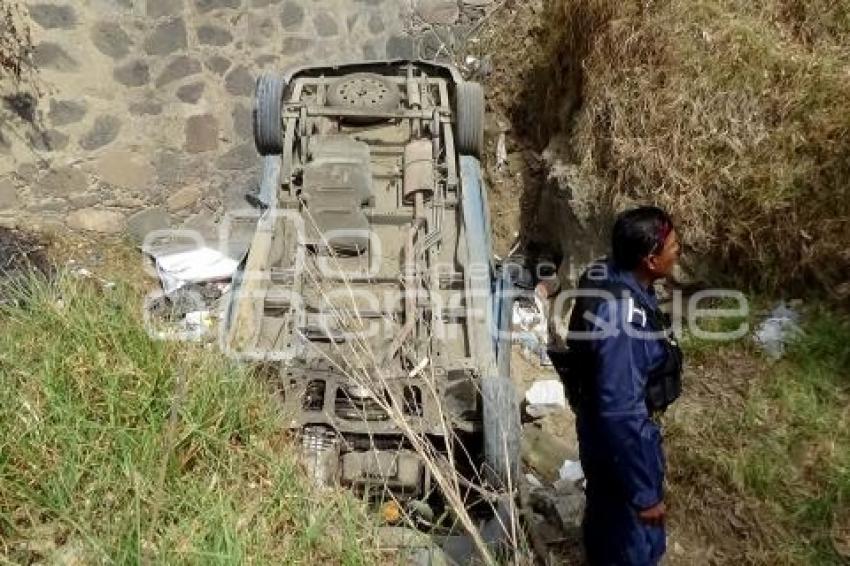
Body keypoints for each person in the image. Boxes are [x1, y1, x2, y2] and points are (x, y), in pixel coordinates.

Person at [549, 206, 683, 565]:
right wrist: (645, 493)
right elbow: (622, 414)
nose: (677, 251)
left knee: (605, 519)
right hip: (618, 441)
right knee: (633, 544)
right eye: (673, 246)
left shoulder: (606, 271)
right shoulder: (623, 319)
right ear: (650, 260)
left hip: (597, 424)